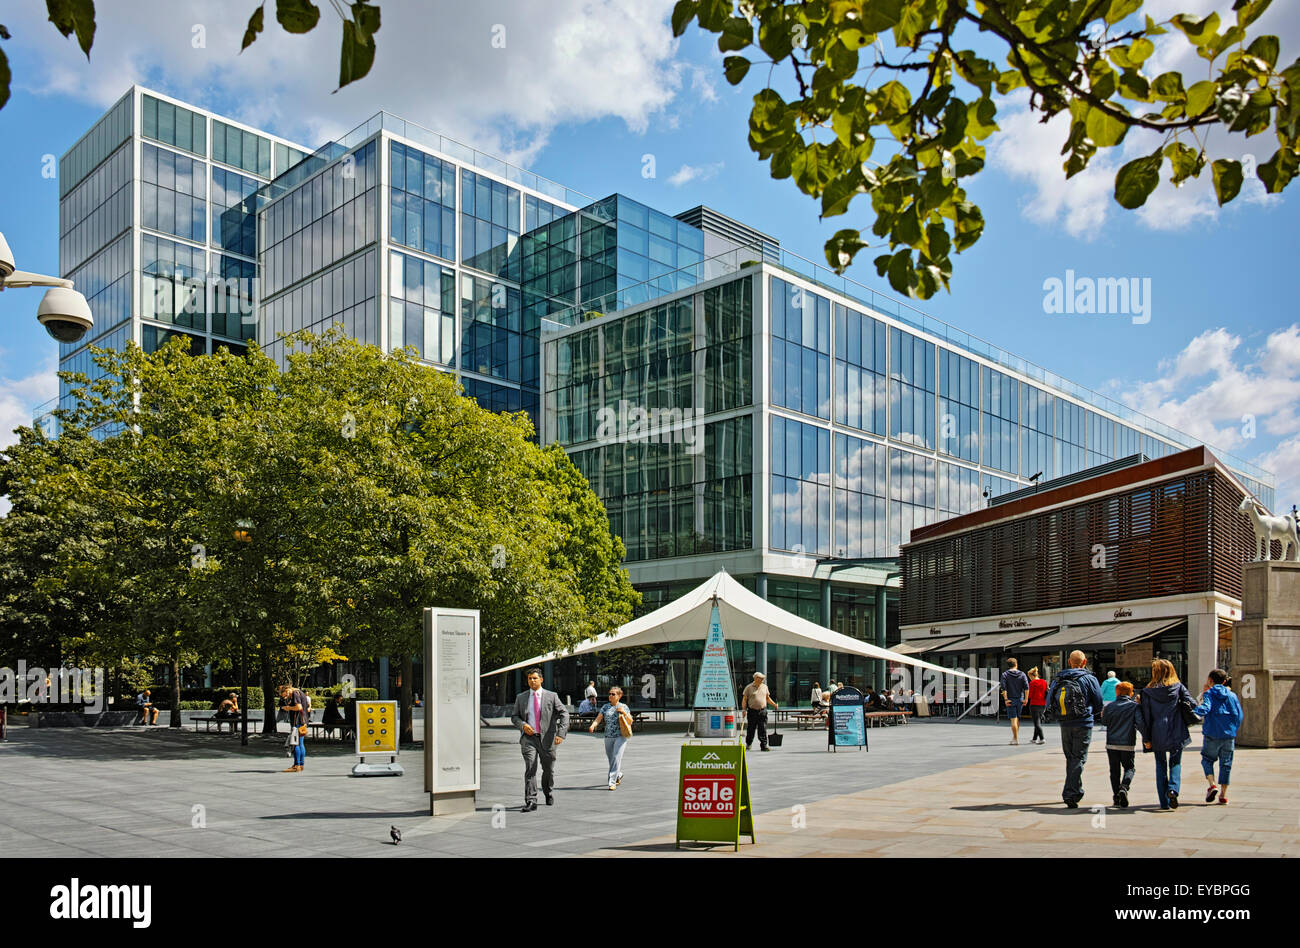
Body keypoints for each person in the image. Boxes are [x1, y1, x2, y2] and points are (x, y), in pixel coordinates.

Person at [1046, 650, 1104, 807]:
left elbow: (1049, 701)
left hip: (1065, 723)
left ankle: (1075, 790)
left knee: (1071, 757)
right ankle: (1070, 794)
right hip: (1084, 722)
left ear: (1070, 662)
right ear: (1084, 662)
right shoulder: (1089, 678)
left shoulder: (1058, 679)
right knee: (1078, 758)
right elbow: (1099, 702)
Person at [1136, 658, 1195, 810]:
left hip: (1157, 732)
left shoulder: (1147, 692)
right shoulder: (1178, 687)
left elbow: (1146, 718)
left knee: (1160, 765)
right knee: (1176, 762)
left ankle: (1164, 802)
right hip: (1177, 730)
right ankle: (1173, 789)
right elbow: (1192, 704)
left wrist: (1146, 738)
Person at [510, 667, 569, 811]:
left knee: (548, 770)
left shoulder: (552, 696)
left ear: (541, 679)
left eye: (535, 678)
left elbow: (564, 714)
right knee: (530, 768)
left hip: (548, 740)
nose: (532, 681)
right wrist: (523, 725)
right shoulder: (521, 697)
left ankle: (548, 791)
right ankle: (531, 800)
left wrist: (561, 733)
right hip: (529, 739)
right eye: (530, 678)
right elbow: (514, 717)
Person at [1196, 668, 1243, 806]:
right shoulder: (1232, 695)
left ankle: (1212, 785)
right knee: (1226, 763)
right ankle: (1223, 795)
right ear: (1224, 681)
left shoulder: (1209, 693)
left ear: (1210, 680)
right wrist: (1233, 729)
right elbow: (1239, 715)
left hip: (1212, 733)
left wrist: (1192, 710)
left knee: (1207, 759)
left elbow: (1205, 708)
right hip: (1228, 735)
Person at [587, 685, 633, 790]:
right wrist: (593, 725)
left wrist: (624, 713)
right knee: (611, 759)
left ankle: (611, 782)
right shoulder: (605, 707)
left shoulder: (623, 706)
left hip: (620, 736)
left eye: (613, 694)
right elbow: (599, 719)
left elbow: (630, 721)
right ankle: (618, 774)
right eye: (610, 694)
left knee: (616, 757)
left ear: (619, 695)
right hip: (608, 736)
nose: (610, 696)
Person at [1102, 681, 1139, 808]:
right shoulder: (1134, 706)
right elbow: (1139, 722)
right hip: (1127, 743)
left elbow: (1104, 722)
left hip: (1111, 743)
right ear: (1131, 693)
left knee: (1114, 771)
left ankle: (1116, 796)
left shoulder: (1109, 706)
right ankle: (1124, 786)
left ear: (1117, 692)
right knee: (1129, 767)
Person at [740, 671, 778, 752]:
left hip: (762, 711)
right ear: (755, 678)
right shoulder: (749, 687)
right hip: (752, 711)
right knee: (751, 729)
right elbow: (744, 699)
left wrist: (774, 704)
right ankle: (749, 744)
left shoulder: (764, 687)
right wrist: (743, 710)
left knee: (763, 729)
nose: (762, 679)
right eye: (760, 678)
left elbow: (767, 698)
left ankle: (764, 745)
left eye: (762, 678)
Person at [278, 683, 309, 773]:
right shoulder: (299, 692)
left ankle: (296, 765)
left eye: (285, 694)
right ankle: (301, 764)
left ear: (287, 690)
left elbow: (298, 707)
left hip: (297, 722)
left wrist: (288, 708)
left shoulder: (295, 693)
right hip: (303, 721)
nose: (286, 697)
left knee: (295, 743)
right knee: (301, 744)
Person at [999, 658, 1030, 745]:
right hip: (1020, 699)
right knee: (1017, 719)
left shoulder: (1005, 674)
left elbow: (1003, 688)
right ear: (1016, 664)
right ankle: (1015, 737)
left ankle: (1015, 739)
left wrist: (1005, 699)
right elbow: (1026, 688)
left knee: (1013, 720)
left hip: (1010, 699)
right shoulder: (1022, 674)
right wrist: (1026, 699)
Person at [1026, 667, 1048, 744]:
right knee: (1038, 721)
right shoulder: (1044, 682)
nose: (1029, 678)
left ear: (1032, 676)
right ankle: (1034, 738)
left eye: (1029, 677)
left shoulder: (1032, 683)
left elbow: (1030, 695)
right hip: (1043, 704)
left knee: (1037, 723)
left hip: (1034, 704)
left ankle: (1042, 738)